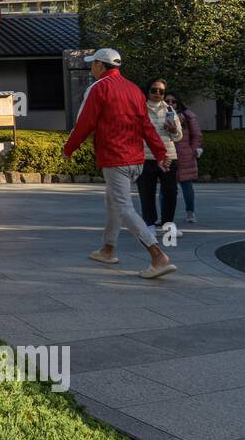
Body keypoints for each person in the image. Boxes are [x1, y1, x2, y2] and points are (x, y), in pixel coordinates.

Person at [62, 48, 177, 279]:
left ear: (101, 66)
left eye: (93, 63)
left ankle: (157, 256)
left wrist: (69, 148)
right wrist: (160, 152)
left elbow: (84, 122)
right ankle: (108, 249)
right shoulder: (134, 89)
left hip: (115, 157)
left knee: (123, 207)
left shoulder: (98, 88)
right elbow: (146, 125)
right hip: (136, 158)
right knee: (113, 201)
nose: (91, 67)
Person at [137, 78, 182, 233]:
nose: (157, 93)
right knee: (146, 192)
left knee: (170, 192)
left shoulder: (170, 110)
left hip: (168, 157)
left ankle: (168, 223)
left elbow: (178, 137)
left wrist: (173, 130)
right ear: (148, 91)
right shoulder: (139, 108)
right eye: (154, 90)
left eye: (161, 91)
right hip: (145, 157)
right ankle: (149, 224)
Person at [166, 92, 203, 223]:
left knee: (186, 185)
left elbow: (197, 135)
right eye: (167, 101)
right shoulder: (159, 115)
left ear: (178, 103)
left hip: (185, 155)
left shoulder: (187, 116)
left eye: (173, 101)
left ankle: (190, 212)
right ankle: (166, 216)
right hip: (167, 155)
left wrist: (192, 150)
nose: (170, 104)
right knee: (167, 188)